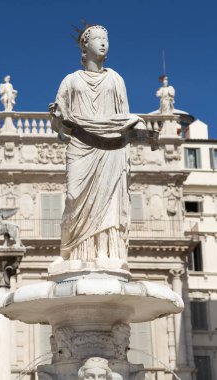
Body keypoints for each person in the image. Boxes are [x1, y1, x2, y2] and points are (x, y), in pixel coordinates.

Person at [50, 24, 146, 262]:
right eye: (98, 38)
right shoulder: (71, 81)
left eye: (106, 38)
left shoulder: (115, 79)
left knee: (109, 199)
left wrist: (136, 123)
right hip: (81, 146)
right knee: (74, 197)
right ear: (85, 45)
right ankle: (74, 252)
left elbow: (123, 116)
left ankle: (106, 252)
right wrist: (57, 118)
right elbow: (60, 128)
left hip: (110, 147)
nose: (104, 42)